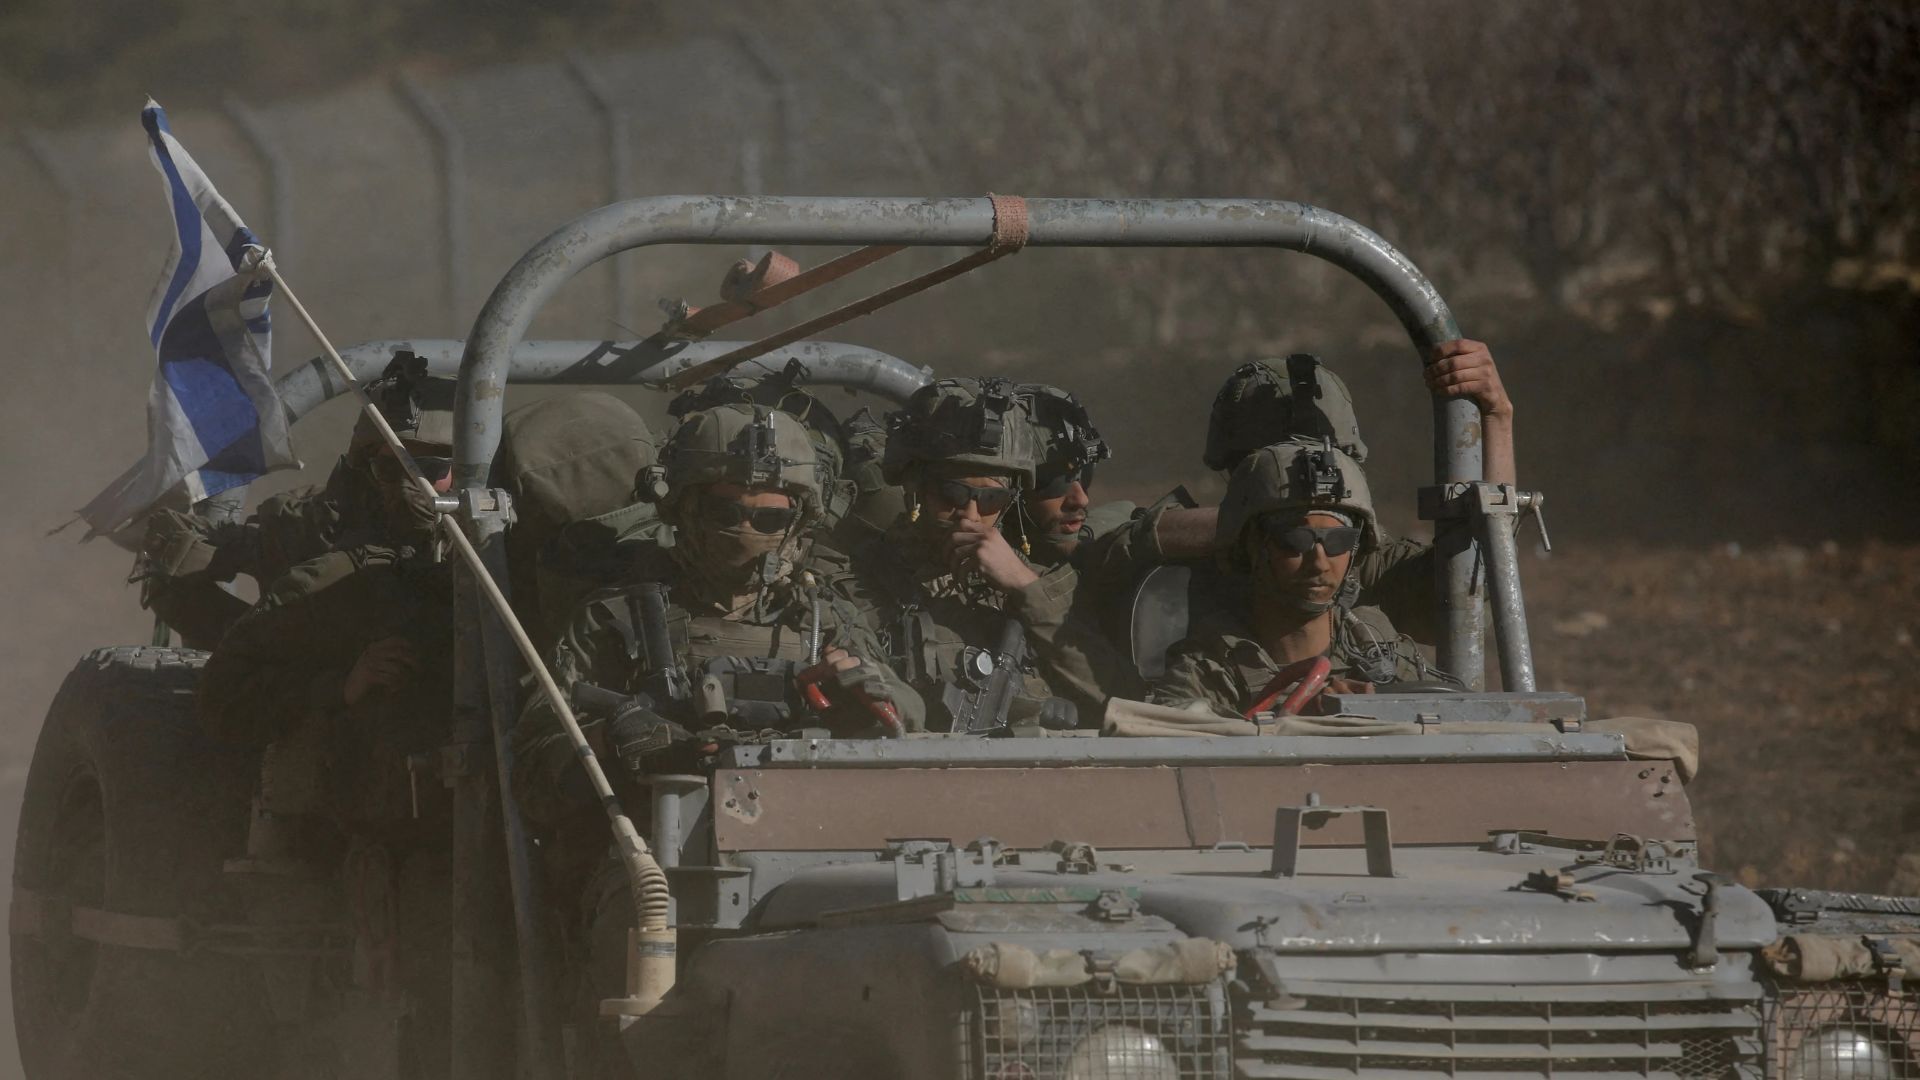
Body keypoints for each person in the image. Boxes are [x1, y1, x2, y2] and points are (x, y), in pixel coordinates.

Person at [509, 402, 917, 1076]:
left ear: (799, 520)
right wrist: (615, 737)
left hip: (819, 856)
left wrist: (871, 701)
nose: (744, 532)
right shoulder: (616, 618)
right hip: (657, 863)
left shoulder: (830, 619)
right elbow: (531, 766)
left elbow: (911, 729)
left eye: (768, 517)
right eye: (725, 510)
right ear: (683, 508)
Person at [853, 376, 1120, 728]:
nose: (971, 516)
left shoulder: (1042, 586)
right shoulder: (857, 582)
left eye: (992, 499)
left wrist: (1027, 588)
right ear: (915, 487)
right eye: (952, 495)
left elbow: (1119, 697)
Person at [1148, 438, 1453, 717]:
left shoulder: (1380, 649)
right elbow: (1181, 739)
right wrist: (1299, 714)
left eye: (1339, 541)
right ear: (1253, 546)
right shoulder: (1208, 669)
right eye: (1295, 540)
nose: (1319, 563)